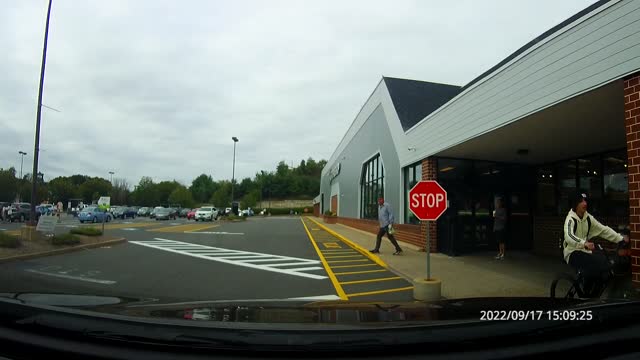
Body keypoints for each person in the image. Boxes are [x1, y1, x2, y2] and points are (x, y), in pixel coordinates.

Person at [563, 192, 629, 297]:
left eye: (585, 200)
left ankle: (593, 295)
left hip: (585, 251)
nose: (585, 203)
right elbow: (569, 236)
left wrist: (620, 239)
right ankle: (586, 297)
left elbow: (603, 230)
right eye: (581, 201)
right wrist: (584, 243)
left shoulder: (588, 218)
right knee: (593, 268)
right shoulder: (570, 219)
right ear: (575, 204)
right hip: (572, 252)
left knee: (604, 264)